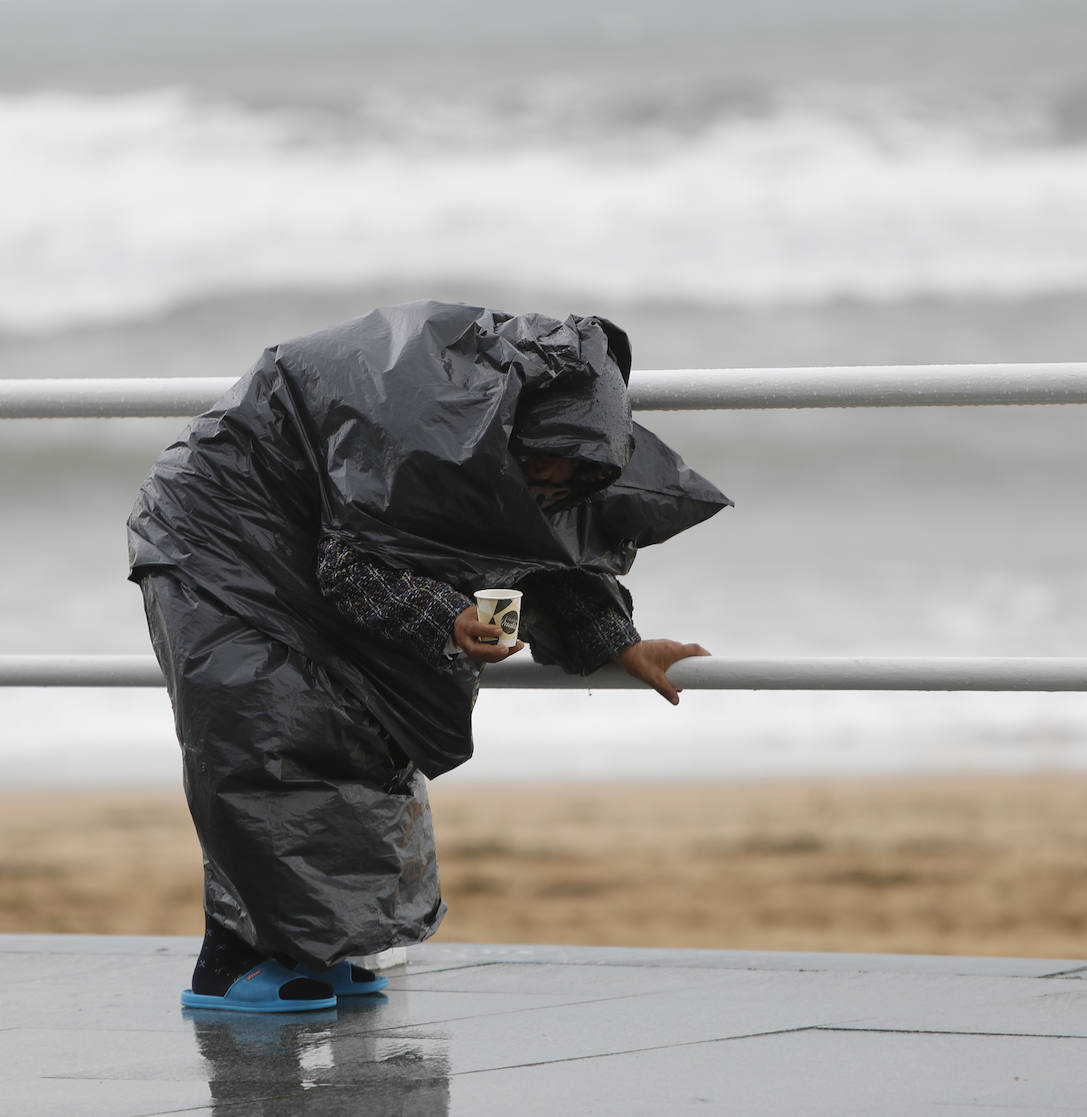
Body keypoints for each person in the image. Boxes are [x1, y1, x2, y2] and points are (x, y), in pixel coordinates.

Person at [128, 301, 730, 1013]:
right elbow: (352, 566)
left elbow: (538, 553)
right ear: (522, 428)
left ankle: (314, 947)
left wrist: (622, 645)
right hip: (213, 532)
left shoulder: (514, 436)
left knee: (362, 730)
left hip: (294, 534)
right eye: (538, 467)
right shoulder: (431, 432)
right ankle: (226, 965)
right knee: (260, 733)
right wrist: (450, 614)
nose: (541, 483)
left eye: (559, 479)